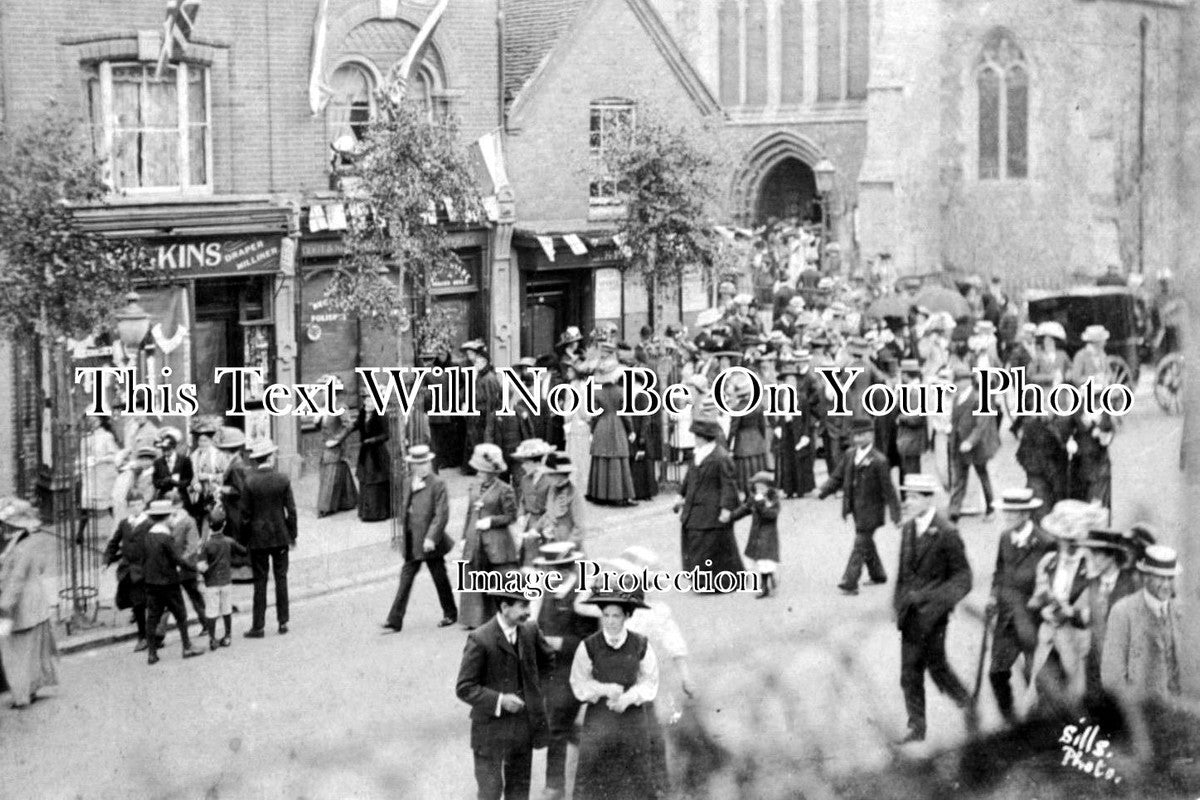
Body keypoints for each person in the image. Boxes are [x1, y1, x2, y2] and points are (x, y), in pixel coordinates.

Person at [892, 474, 973, 743]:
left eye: (914, 497)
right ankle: (916, 727)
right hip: (910, 615)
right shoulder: (908, 528)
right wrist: (898, 602)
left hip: (934, 617)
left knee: (937, 668)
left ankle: (966, 702)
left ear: (929, 500)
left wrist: (938, 602)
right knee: (909, 673)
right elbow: (903, 572)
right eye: (907, 496)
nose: (908, 502)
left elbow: (963, 578)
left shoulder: (947, 533)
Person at [455, 589, 555, 800]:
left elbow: (548, 662)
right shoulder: (480, 638)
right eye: (523, 606)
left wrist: (536, 693)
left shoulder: (529, 630)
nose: (528, 612)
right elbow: (465, 687)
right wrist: (500, 700)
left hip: (522, 730)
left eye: (529, 605)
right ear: (504, 607)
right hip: (489, 731)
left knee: (519, 792)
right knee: (490, 792)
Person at [570, 586, 666, 800]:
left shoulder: (641, 645)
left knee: (636, 774)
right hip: (600, 717)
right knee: (595, 773)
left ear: (627, 616)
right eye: (606, 615)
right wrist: (603, 689)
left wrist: (627, 698)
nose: (611, 621)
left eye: (616, 616)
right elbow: (579, 683)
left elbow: (650, 682)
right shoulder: (588, 646)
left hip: (631, 718)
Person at [530, 543, 598, 800]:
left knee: (555, 725)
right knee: (554, 721)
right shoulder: (547, 592)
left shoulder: (581, 597)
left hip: (574, 672)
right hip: (549, 672)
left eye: (554, 569)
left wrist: (561, 643)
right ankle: (597, 745)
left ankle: (555, 786)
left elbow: (592, 641)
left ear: (568, 569)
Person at [1025, 500, 1104, 711]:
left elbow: (1098, 613)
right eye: (1063, 540)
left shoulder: (1092, 569)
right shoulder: (1048, 562)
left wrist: (1072, 613)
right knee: (1038, 693)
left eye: (1074, 541)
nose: (1067, 546)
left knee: (1075, 698)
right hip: (1049, 640)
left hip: (1076, 643)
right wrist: (1043, 608)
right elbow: (1037, 597)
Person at [986, 488, 1053, 725]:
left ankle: (1036, 725)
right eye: (1006, 512)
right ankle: (1010, 720)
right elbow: (999, 572)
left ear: (1026, 514)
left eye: (1012, 513)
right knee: (996, 673)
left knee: (1032, 676)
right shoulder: (1005, 538)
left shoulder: (1045, 542)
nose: (1007, 517)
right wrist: (993, 597)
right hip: (1006, 617)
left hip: (1033, 619)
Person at [818, 420, 901, 596]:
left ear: (871, 435)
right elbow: (837, 477)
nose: (858, 438)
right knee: (866, 543)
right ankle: (878, 574)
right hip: (855, 508)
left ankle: (850, 581)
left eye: (862, 434)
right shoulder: (849, 455)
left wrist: (896, 514)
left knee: (860, 543)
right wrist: (824, 491)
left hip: (872, 510)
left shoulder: (879, 460)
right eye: (855, 435)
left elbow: (889, 490)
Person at [382, 444, 457, 632]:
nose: (422, 467)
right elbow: (404, 506)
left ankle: (450, 613)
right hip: (412, 539)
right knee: (406, 578)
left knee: (439, 577)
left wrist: (431, 537)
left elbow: (441, 514)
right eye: (417, 464)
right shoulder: (408, 481)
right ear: (412, 466)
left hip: (429, 542)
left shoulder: (437, 483)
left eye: (424, 463)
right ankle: (394, 620)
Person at [1102, 545, 1189, 701]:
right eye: (1160, 578)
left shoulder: (1179, 611)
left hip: (1175, 712)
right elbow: (1112, 677)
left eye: (1170, 578)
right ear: (1145, 577)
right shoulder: (1122, 611)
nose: (1166, 585)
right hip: (1140, 713)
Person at [673, 419, 741, 592]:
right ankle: (701, 581)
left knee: (710, 546)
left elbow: (729, 484)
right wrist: (680, 495)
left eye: (697, 436)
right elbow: (689, 478)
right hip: (695, 507)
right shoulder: (699, 454)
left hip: (713, 509)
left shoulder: (721, 457)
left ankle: (719, 582)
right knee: (694, 541)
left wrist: (726, 508)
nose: (695, 439)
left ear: (705, 437)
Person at [239, 439, 298, 638]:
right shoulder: (282, 478)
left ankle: (258, 626)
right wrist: (293, 535)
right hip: (280, 535)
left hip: (258, 538)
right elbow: (291, 510)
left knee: (260, 581)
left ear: (256, 460)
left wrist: (245, 538)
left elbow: (245, 515)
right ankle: (283, 621)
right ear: (271, 457)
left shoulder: (250, 481)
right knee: (281, 578)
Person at [0, 513, 58, 707]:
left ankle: (21, 696)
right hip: (36, 604)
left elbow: (15, 581)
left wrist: (4, 606)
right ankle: (30, 690)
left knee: (15, 653)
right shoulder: (31, 544)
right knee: (32, 652)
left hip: (21, 608)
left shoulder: (18, 550)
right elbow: (40, 568)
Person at [459, 444, 520, 629]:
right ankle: (474, 619)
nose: (478, 473)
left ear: (492, 473)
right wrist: (464, 537)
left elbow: (511, 516)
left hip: (495, 540)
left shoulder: (505, 489)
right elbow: (470, 513)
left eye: (482, 471)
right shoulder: (474, 486)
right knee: (473, 576)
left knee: (497, 580)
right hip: (474, 538)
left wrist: (491, 521)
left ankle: (497, 619)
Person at [141, 500, 206, 664]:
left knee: (152, 618)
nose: (172, 518)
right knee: (181, 615)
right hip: (169, 584)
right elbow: (177, 559)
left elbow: (144, 559)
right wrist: (195, 569)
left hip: (151, 583)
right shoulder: (166, 537)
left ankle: (152, 653)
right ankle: (187, 646)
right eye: (171, 515)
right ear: (165, 517)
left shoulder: (148, 536)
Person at [947, 368, 998, 521]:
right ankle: (955, 510)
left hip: (977, 446)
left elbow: (982, 423)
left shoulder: (979, 397)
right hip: (959, 444)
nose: (958, 384)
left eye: (961, 381)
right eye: (956, 381)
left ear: (968, 381)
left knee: (983, 476)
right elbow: (955, 419)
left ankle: (991, 508)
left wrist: (970, 441)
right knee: (959, 477)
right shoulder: (957, 398)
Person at [587, 345, 635, 505]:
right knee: (618, 459)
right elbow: (626, 414)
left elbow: (594, 414)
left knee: (601, 458)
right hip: (617, 425)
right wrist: (631, 430)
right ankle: (619, 495)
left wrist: (592, 430)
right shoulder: (622, 391)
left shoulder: (597, 392)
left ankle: (599, 494)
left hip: (601, 424)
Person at [197, 515, 246, 649]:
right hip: (226, 580)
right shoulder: (228, 541)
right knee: (226, 608)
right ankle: (228, 636)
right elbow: (243, 551)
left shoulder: (206, 545)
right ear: (224, 524)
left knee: (211, 611)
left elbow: (201, 566)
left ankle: (212, 639)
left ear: (210, 526)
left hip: (211, 582)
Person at [732, 471, 781, 599]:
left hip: (768, 535)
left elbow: (771, 515)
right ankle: (770, 577)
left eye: (762, 487)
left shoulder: (773, 500)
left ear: (769, 487)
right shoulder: (754, 498)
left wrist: (760, 504)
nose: (759, 489)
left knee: (765, 559)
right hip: (756, 533)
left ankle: (764, 587)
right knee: (762, 559)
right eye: (757, 486)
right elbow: (745, 508)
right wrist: (732, 517)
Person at [316, 376, 358, 517]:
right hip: (326, 446)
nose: (321, 393)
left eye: (324, 390)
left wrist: (336, 440)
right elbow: (321, 426)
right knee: (339, 471)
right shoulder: (324, 407)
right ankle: (348, 501)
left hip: (335, 447)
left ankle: (324, 508)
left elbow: (348, 425)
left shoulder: (340, 407)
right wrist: (317, 419)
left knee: (330, 474)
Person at [355, 397, 393, 522]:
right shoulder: (362, 414)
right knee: (365, 480)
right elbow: (352, 426)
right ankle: (366, 512)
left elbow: (386, 434)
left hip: (377, 453)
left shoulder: (382, 415)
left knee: (377, 480)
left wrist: (373, 440)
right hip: (365, 452)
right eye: (367, 400)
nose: (369, 403)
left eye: (372, 401)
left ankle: (378, 512)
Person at [216, 427, 249, 545]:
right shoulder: (235, 462)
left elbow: (238, 490)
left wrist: (220, 489)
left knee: (236, 536)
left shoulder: (236, 466)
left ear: (228, 450)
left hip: (235, 508)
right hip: (232, 507)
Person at [151, 427, 194, 503]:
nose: (165, 452)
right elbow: (155, 482)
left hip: (181, 496)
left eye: (168, 449)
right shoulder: (158, 462)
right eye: (163, 450)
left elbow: (188, 480)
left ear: (174, 447)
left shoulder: (185, 460)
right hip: (163, 497)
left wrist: (175, 482)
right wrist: (164, 482)